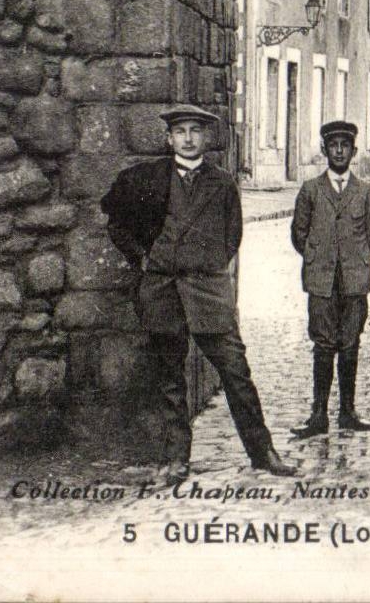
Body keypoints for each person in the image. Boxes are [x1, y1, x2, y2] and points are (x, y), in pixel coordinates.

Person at [101, 103, 295, 486]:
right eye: (181, 131)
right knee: (170, 377)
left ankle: (263, 452)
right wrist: (144, 258)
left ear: (206, 137)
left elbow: (232, 235)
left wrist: (204, 265)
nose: (188, 138)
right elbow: (117, 223)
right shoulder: (150, 180)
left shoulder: (222, 183)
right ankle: (175, 459)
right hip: (163, 290)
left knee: (236, 372)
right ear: (169, 138)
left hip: (207, 291)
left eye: (195, 131)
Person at [290, 120, 370, 437]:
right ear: (324, 150)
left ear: (353, 152)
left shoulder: (365, 192)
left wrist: (352, 261)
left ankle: (348, 411)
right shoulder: (311, 190)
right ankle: (318, 415)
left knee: (350, 344)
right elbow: (299, 234)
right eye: (333, 145)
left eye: (345, 145)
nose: (339, 151)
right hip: (321, 282)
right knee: (323, 345)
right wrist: (321, 259)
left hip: (354, 281)